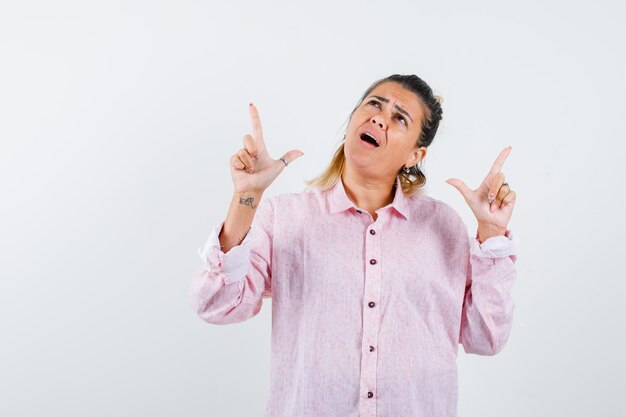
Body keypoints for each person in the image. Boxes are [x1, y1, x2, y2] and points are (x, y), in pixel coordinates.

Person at [189, 74, 519, 417]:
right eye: (374, 104)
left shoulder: (443, 227)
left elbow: (486, 337)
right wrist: (246, 198)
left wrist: (492, 233)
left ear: (415, 155)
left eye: (399, 117)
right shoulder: (285, 217)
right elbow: (215, 304)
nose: (379, 117)